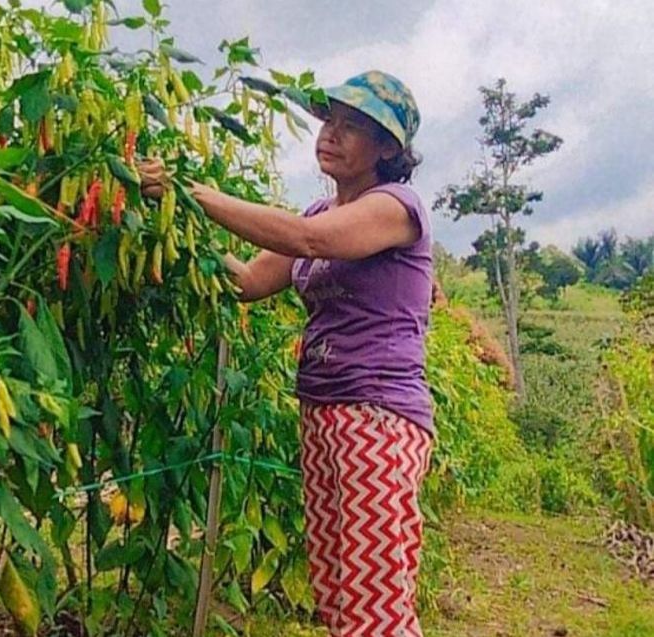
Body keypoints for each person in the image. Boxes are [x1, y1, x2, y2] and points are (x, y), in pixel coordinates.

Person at [139, 70, 434, 637]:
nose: (331, 135)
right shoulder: (321, 212)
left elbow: (307, 243)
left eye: (352, 128)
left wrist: (191, 192)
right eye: (330, 122)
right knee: (339, 589)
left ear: (387, 149)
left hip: (377, 416)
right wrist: (170, 222)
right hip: (325, 412)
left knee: (375, 595)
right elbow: (248, 280)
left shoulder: (396, 207)